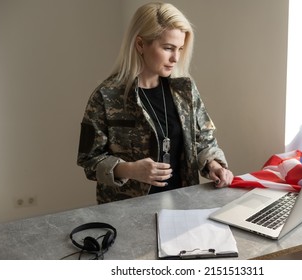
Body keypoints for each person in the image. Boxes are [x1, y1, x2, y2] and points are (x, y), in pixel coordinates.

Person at [77, 2, 234, 204]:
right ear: (141, 44)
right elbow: (88, 159)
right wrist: (130, 170)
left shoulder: (184, 90)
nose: (176, 58)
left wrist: (214, 165)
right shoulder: (105, 96)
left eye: (180, 49)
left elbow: (203, 140)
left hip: (183, 204)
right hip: (128, 211)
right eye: (168, 48)